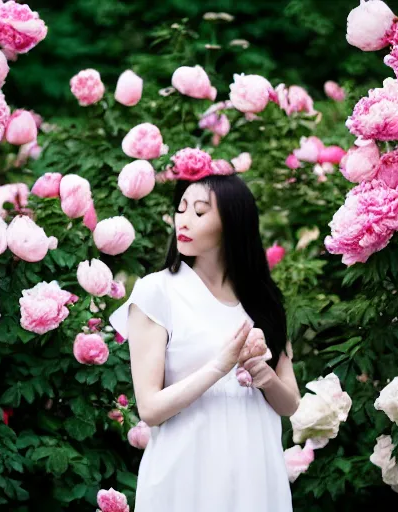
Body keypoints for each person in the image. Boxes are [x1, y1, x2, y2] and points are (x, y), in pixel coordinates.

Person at [109, 165, 301, 511]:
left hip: (256, 474)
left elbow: (290, 404)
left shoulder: (263, 299)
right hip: (187, 475)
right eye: (181, 209)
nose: (183, 220)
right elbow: (150, 409)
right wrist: (220, 366)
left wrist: (264, 375)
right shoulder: (158, 291)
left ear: (233, 222)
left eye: (199, 212)